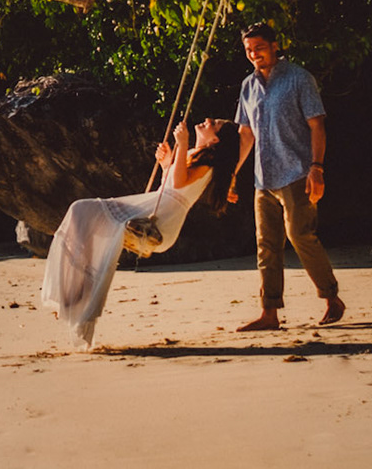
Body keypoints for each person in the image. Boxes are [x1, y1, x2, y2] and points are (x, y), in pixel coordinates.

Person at [40, 117, 231, 348]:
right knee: (82, 215)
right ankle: (80, 290)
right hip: (156, 208)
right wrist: (167, 163)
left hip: (159, 221)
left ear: (215, 139)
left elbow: (178, 186)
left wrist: (181, 144)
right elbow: (170, 186)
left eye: (215, 123)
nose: (208, 120)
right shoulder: (195, 154)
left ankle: (81, 291)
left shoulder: (208, 161)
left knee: (82, 210)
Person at [229, 23, 344, 329]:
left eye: (260, 48)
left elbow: (317, 125)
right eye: (249, 50)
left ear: (275, 46)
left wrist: (317, 168)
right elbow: (245, 135)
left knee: (300, 235)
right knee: (265, 244)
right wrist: (232, 174)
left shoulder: (298, 78)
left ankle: (331, 297)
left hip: (297, 172)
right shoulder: (248, 86)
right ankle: (269, 313)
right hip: (262, 178)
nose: (255, 55)